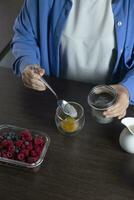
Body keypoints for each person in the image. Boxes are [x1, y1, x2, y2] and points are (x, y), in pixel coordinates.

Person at [11, 0, 134, 120]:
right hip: (54, 103)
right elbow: (24, 35)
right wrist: (27, 64)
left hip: (111, 111)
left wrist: (127, 89)